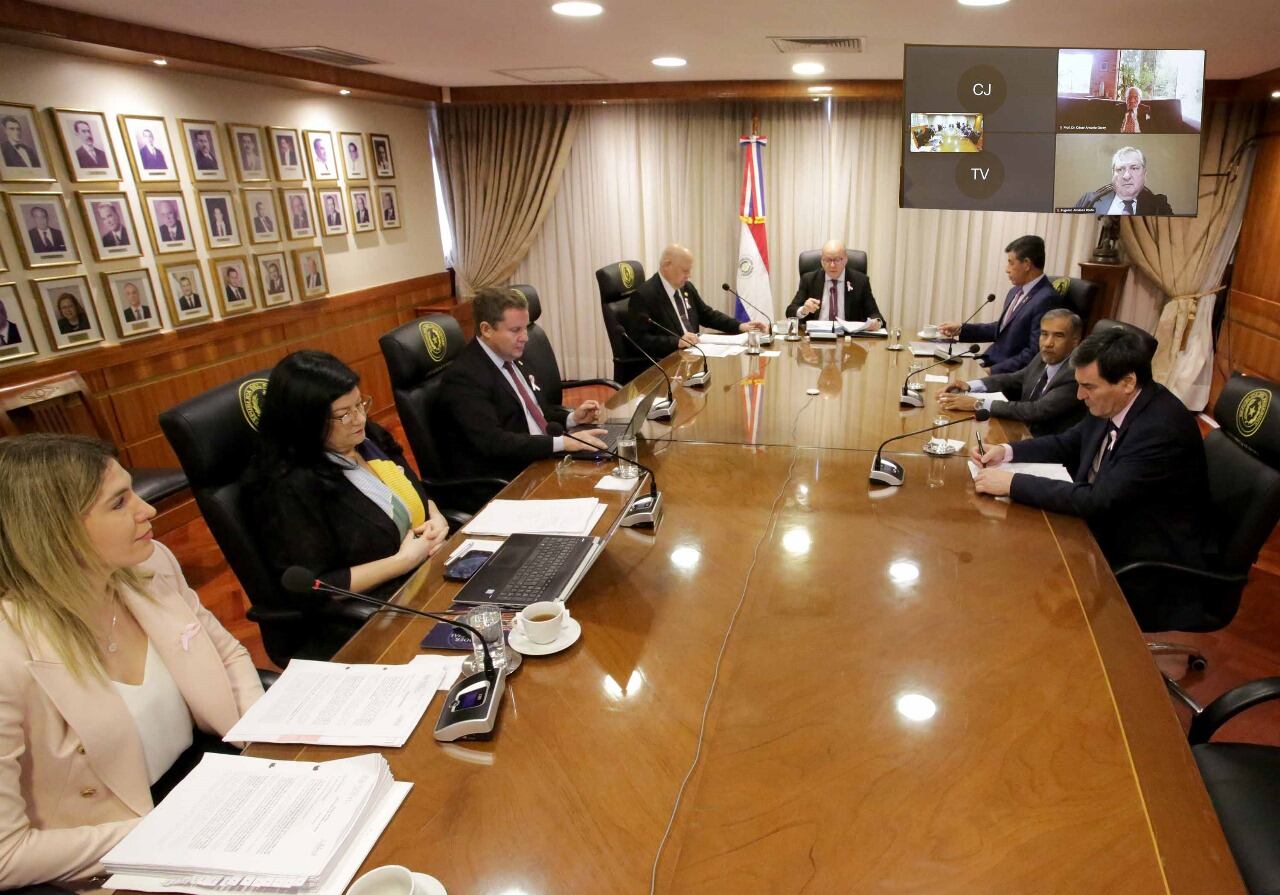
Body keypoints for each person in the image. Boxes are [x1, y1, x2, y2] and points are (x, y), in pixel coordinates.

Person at [0, 433, 263, 887]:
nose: (149, 510)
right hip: (123, 845)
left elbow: (226, 654)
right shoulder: (10, 651)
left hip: (216, 776)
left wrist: (267, 745)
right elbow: (7, 854)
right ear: (54, 530)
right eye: (119, 503)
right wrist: (173, 830)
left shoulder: (150, 563)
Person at [970, 327, 1210, 628]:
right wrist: (1007, 452)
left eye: (1088, 387)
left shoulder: (1159, 428)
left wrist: (1012, 483)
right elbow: (1071, 442)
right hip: (1106, 524)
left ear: (1127, 382)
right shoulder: (1117, 402)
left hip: (1144, 553)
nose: (1079, 395)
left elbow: (1099, 500)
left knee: (1022, 559)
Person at [242, 351, 450, 654]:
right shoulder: (288, 488)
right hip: (371, 615)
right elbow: (319, 585)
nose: (360, 419)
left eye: (360, 404)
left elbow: (412, 490)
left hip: (424, 576)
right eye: (344, 414)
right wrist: (403, 561)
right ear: (306, 421)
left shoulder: (366, 439)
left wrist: (435, 516)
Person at [439, 287, 609, 489]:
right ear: (486, 330)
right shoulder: (465, 377)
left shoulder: (513, 357)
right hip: (511, 479)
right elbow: (494, 442)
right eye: (515, 330)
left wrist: (572, 419)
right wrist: (562, 443)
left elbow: (535, 411)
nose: (525, 337)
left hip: (542, 458)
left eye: (525, 328)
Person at [939, 308, 1086, 436]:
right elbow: (1017, 378)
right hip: (1020, 430)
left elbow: (1036, 410)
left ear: (1075, 341)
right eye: (1044, 334)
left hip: (1045, 444)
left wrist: (978, 404)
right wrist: (970, 385)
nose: (1048, 343)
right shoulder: (1045, 356)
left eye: (1058, 336)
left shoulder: (1074, 374)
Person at [937, 235, 1062, 374]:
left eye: (1011, 263)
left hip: (1005, 373)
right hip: (987, 361)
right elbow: (1002, 329)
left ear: (1027, 264)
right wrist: (962, 329)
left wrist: (991, 371)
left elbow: (1034, 353)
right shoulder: (1015, 291)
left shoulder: (1046, 299)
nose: (1006, 269)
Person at [626, 243, 767, 358]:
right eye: (685, 271)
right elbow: (639, 341)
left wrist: (740, 326)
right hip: (669, 362)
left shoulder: (686, 287)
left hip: (694, 355)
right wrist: (676, 341)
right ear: (667, 265)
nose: (689, 275)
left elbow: (707, 315)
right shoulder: (645, 296)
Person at [785, 240, 884, 327]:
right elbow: (790, 311)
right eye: (828, 260)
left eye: (837, 260)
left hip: (848, 337)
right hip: (817, 336)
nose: (832, 265)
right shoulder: (809, 279)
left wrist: (876, 322)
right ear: (822, 261)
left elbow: (875, 314)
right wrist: (804, 310)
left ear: (845, 259)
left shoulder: (860, 281)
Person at [1074, 146, 1174, 216]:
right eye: (1120, 169)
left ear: (1144, 174)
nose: (1126, 176)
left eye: (1134, 168)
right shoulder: (1088, 200)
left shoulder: (1159, 205)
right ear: (1113, 174)